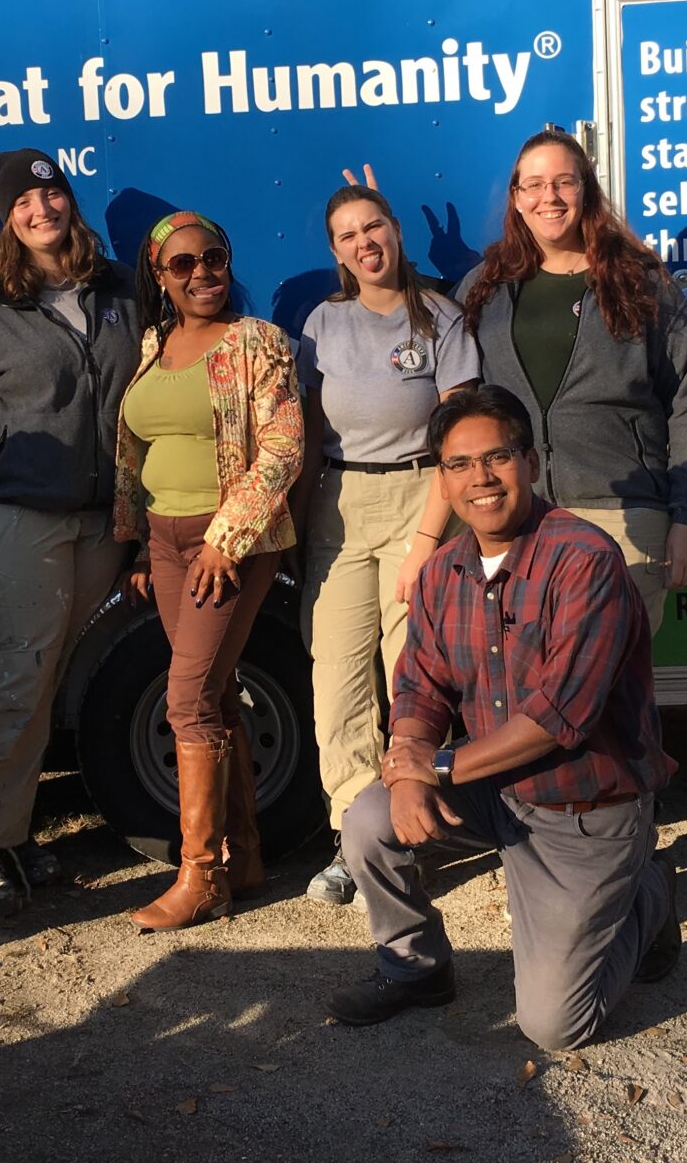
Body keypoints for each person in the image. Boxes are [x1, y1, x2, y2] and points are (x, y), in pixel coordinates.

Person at [326, 385, 679, 1047]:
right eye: (459, 464)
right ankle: (415, 968)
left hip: (582, 808)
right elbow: (420, 688)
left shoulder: (586, 560)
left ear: (532, 461)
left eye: (497, 457)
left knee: (556, 1026)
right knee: (369, 819)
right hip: (494, 791)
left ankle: (648, 894)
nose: (480, 478)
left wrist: (434, 766)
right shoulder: (441, 573)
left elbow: (559, 714)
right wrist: (407, 771)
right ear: (442, 480)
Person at [0, 149, 141, 919]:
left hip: (101, 520)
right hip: (15, 514)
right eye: (24, 202)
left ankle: (9, 835)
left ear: (69, 202)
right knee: (10, 680)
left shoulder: (119, 288)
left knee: (46, 682)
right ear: (8, 217)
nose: (41, 209)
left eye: (51, 196)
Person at [115, 211, 304, 931]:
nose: (203, 273)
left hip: (229, 542)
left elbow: (283, 447)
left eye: (214, 258)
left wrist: (227, 540)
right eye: (183, 264)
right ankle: (243, 857)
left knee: (187, 698)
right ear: (159, 275)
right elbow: (139, 449)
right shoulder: (153, 345)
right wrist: (139, 543)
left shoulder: (257, 342)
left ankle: (200, 877)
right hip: (163, 541)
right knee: (215, 695)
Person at [293, 184, 479, 908]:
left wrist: (428, 540)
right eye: (347, 235)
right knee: (337, 674)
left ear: (396, 231)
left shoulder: (441, 317)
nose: (364, 243)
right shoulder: (322, 323)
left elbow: (459, 437)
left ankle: (411, 830)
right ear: (335, 252)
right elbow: (310, 431)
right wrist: (296, 523)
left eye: (373, 226)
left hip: (421, 498)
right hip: (339, 504)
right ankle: (354, 836)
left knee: (413, 678)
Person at [457, 128, 687, 629]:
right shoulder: (484, 288)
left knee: (610, 674)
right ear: (516, 197)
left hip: (623, 520)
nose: (549, 197)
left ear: (586, 189)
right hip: (517, 519)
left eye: (564, 182)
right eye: (534, 185)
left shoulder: (641, 282)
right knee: (522, 673)